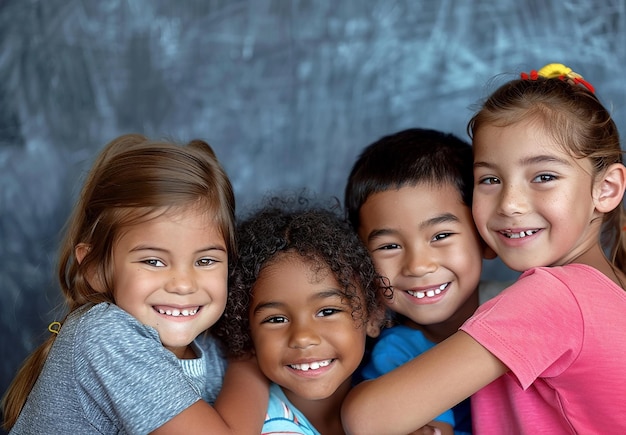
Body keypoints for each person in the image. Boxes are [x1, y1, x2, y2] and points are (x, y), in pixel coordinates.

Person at [341, 62, 626, 434]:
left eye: (544, 176)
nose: (510, 203)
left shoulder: (551, 297)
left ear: (605, 188)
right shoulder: (611, 287)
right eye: (490, 179)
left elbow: (366, 419)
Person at [2, 134, 268, 434]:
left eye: (205, 261)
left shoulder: (213, 351)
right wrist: (250, 359)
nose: (183, 284)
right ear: (95, 269)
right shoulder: (104, 334)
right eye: (153, 261)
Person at [344, 128, 507, 435]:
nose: (418, 266)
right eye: (389, 246)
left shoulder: (522, 309)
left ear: (486, 236)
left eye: (441, 236)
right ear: (362, 262)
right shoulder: (395, 356)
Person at [213, 197, 383, 435]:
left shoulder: (388, 381)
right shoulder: (270, 425)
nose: (303, 337)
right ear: (247, 331)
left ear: (373, 315)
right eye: (276, 319)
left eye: (327, 311)